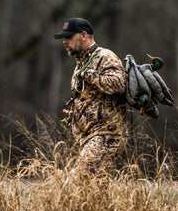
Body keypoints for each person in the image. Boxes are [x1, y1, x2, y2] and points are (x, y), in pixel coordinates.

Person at [54, 17, 128, 172]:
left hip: (107, 135)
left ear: (83, 36)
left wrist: (90, 75)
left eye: (68, 37)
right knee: (92, 192)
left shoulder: (105, 56)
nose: (64, 41)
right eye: (63, 38)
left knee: (74, 183)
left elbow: (119, 84)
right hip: (88, 139)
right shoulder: (80, 64)